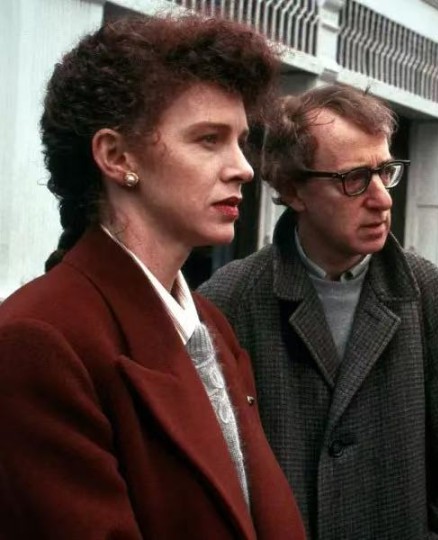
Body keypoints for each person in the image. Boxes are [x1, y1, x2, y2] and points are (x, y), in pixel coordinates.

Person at [0, 15, 306, 539]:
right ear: (116, 156)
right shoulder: (39, 340)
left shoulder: (209, 323)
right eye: (208, 139)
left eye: (240, 140)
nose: (244, 168)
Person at [199, 84, 438, 539]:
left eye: (385, 172)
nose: (383, 198)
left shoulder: (425, 294)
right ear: (294, 190)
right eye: (355, 179)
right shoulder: (229, 302)